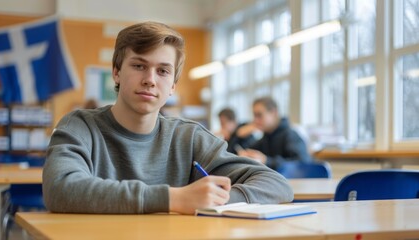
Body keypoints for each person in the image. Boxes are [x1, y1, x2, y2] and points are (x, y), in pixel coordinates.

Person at [43, 22, 293, 215]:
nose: (151, 79)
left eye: (163, 71)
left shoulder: (190, 137)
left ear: (172, 85)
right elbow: (60, 189)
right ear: (116, 73)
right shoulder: (79, 126)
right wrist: (176, 199)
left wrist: (213, 199)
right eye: (139, 66)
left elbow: (277, 185)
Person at [238, 97, 312, 171]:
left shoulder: (290, 135)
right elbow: (241, 152)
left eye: (259, 115)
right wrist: (240, 137)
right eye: (254, 116)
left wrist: (267, 161)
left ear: (274, 113)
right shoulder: (266, 138)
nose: (255, 120)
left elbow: (303, 163)